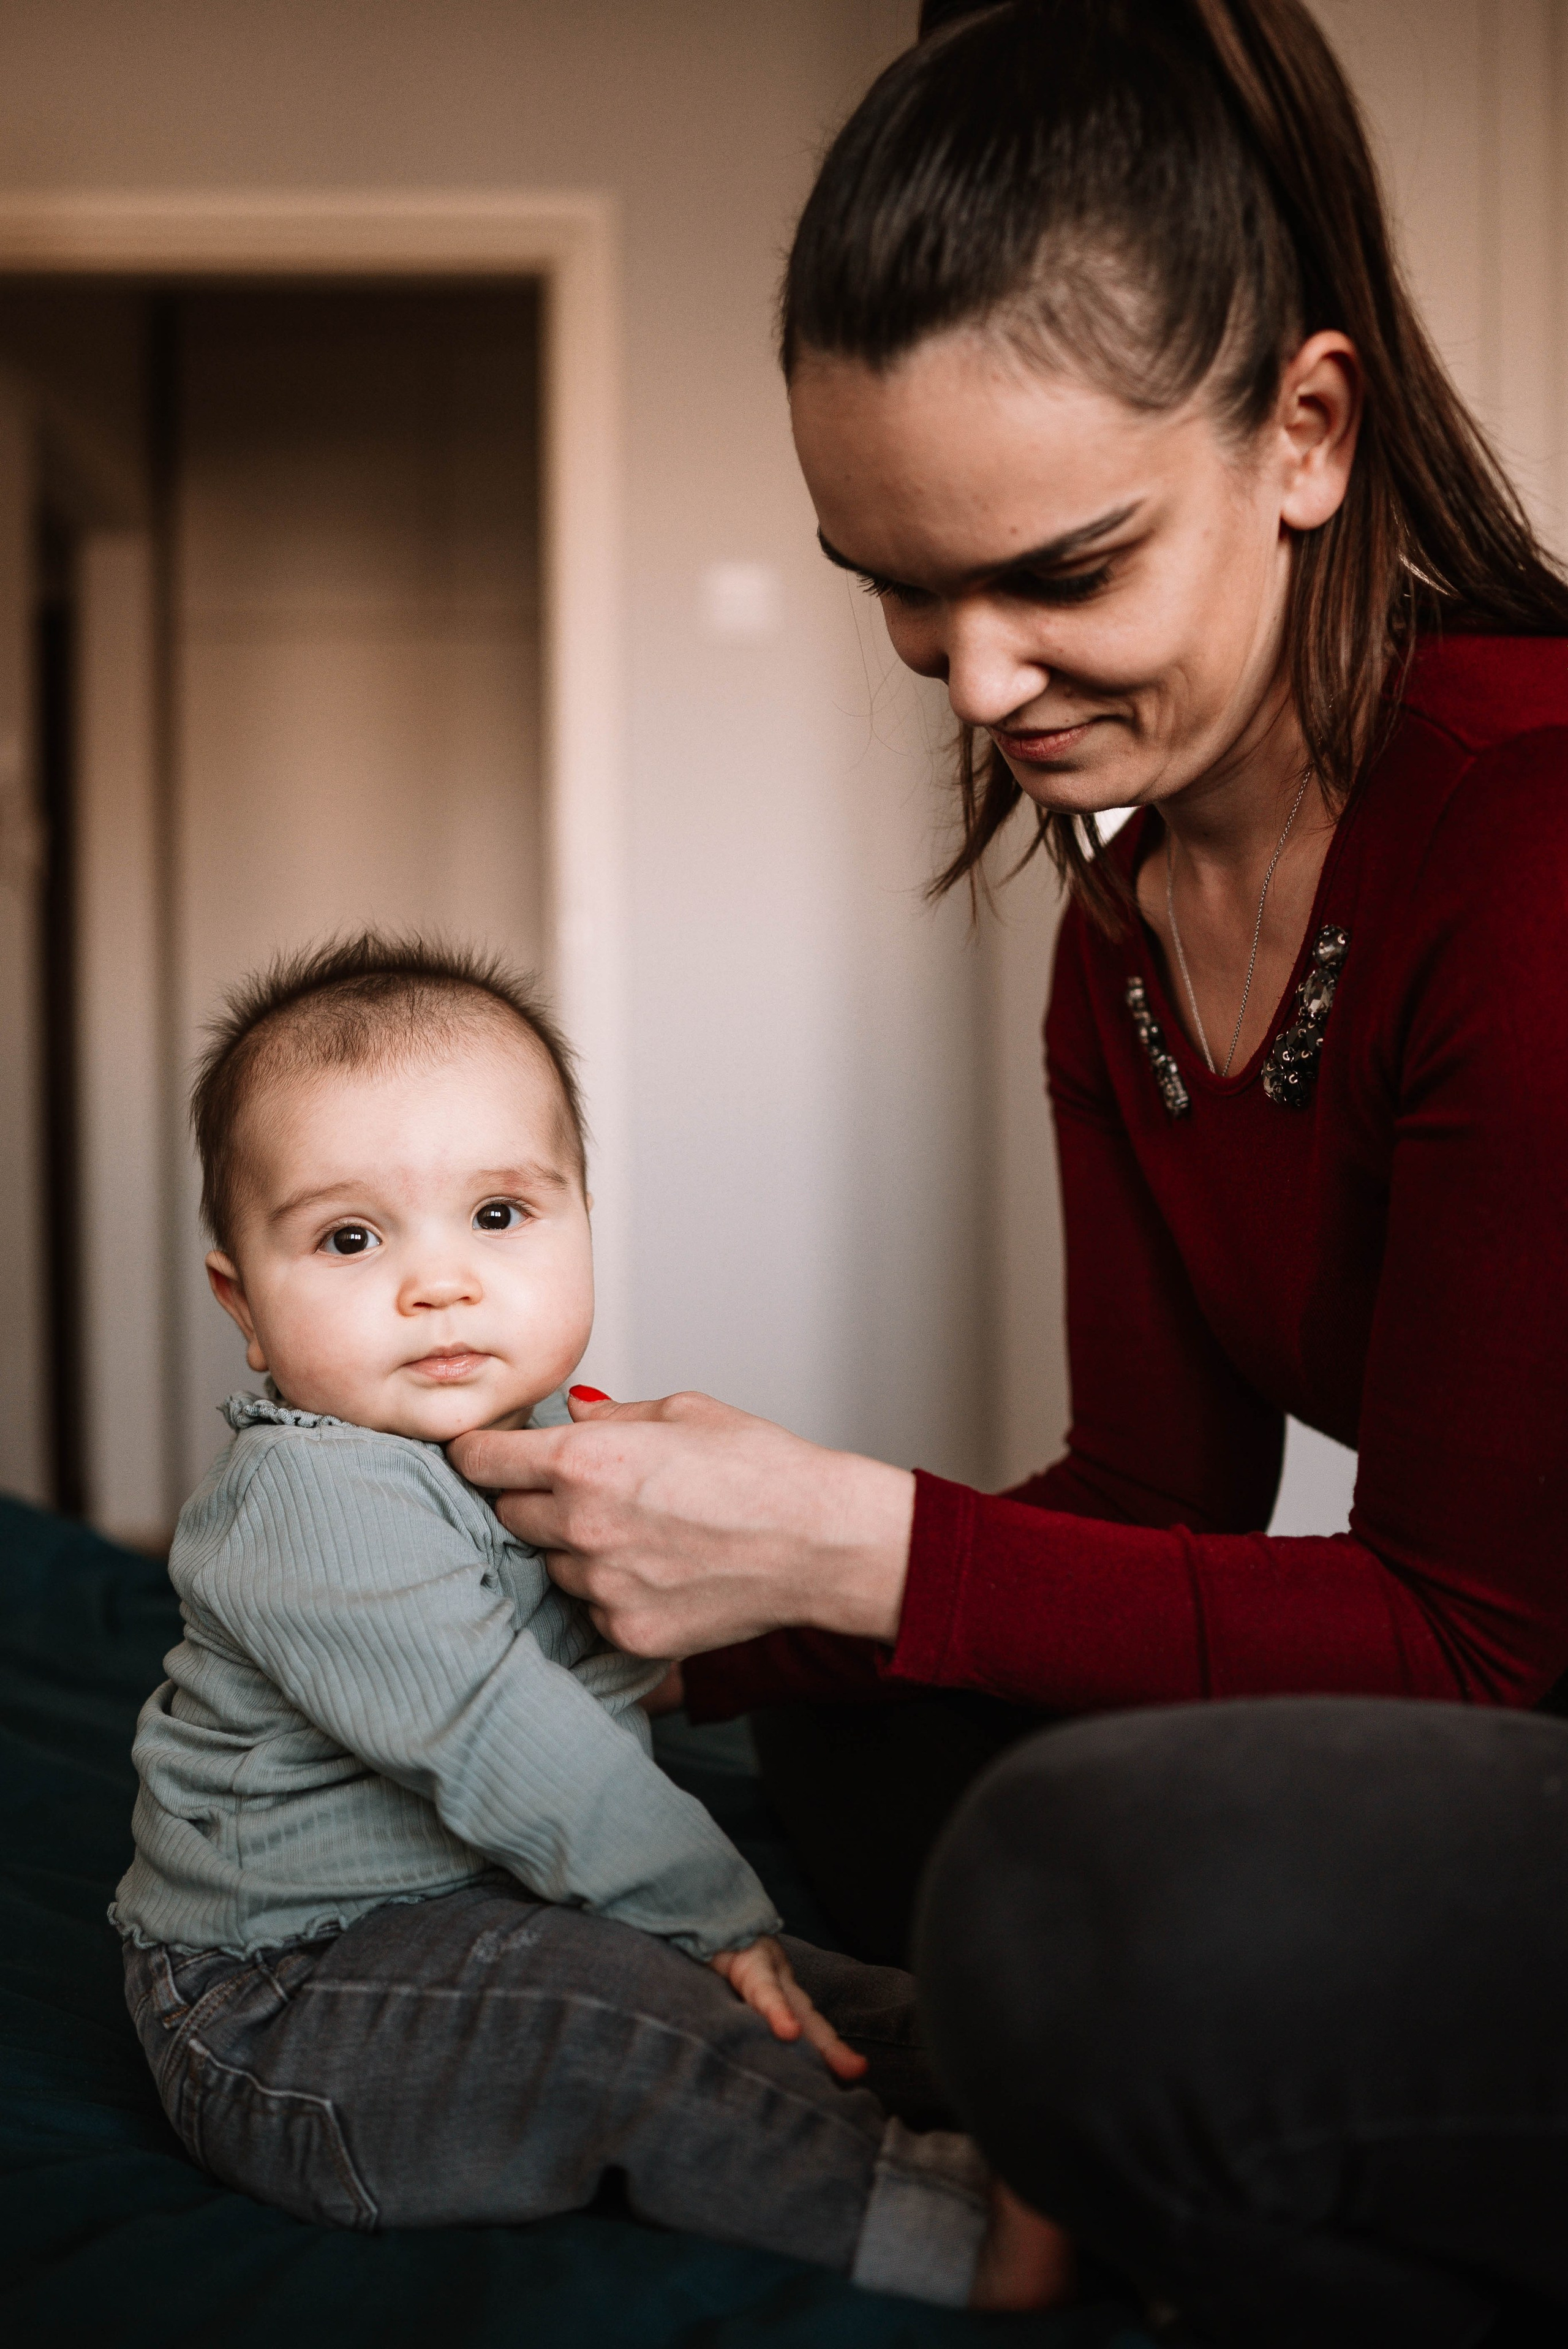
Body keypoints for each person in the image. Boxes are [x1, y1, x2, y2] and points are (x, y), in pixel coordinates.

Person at [448, 0, 1568, 2337]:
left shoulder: (1528, 841)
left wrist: (861, 1537)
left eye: (1056, 569)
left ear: (1307, 433)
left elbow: (1489, 1646)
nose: (972, 681)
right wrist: (659, 1607)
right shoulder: (1123, 912)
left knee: (1068, 1868)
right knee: (865, 1736)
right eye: (896, 585)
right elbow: (1159, 1504)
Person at [110, 932, 1066, 2313]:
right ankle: (959, 2226)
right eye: (350, 1237)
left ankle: (1081, 2100)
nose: (439, 1283)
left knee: (821, 1993)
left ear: (581, 1221)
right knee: (626, 2020)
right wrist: (705, 1905)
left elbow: (640, 1641)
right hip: (286, 2002)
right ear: (243, 1307)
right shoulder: (306, 1501)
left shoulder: (552, 1442)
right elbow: (500, 1732)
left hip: (487, 1910)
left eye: (499, 1215)